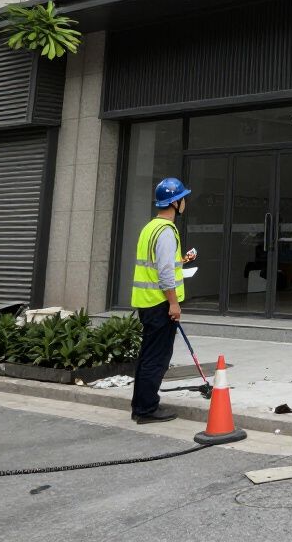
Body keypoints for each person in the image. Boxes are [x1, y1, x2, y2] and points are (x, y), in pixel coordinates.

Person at [130, 176, 192, 424]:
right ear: (176, 202)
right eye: (183, 198)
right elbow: (166, 272)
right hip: (160, 304)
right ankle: (146, 410)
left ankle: (140, 405)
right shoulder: (166, 231)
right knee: (157, 358)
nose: (185, 201)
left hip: (146, 302)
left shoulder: (149, 227)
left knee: (147, 356)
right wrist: (174, 303)